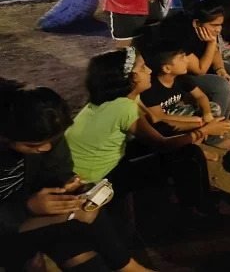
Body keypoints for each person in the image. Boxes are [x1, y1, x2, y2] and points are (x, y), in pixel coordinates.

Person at [0, 79, 153, 272]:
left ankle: (127, 266)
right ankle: (130, 267)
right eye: (33, 145)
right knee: (78, 220)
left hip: (30, 219)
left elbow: (57, 170)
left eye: (52, 141)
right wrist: (27, 207)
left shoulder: (45, 132)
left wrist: (67, 185)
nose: (45, 148)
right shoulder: (19, 129)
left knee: (80, 236)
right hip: (9, 224)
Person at [65, 48, 230, 216]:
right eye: (142, 67)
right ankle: (199, 208)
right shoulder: (123, 107)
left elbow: (155, 120)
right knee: (189, 154)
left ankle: (190, 194)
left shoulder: (120, 97)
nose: (149, 70)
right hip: (95, 178)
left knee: (172, 138)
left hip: (97, 164)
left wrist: (199, 124)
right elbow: (162, 144)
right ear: (131, 78)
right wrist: (204, 130)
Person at [159, 0, 230, 128]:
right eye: (214, 25)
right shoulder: (183, 35)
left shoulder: (206, 30)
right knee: (220, 85)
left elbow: (215, 52)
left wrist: (220, 69)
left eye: (220, 25)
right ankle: (216, 132)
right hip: (184, 74)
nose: (218, 29)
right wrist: (211, 43)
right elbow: (200, 70)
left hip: (204, 63)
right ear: (196, 23)